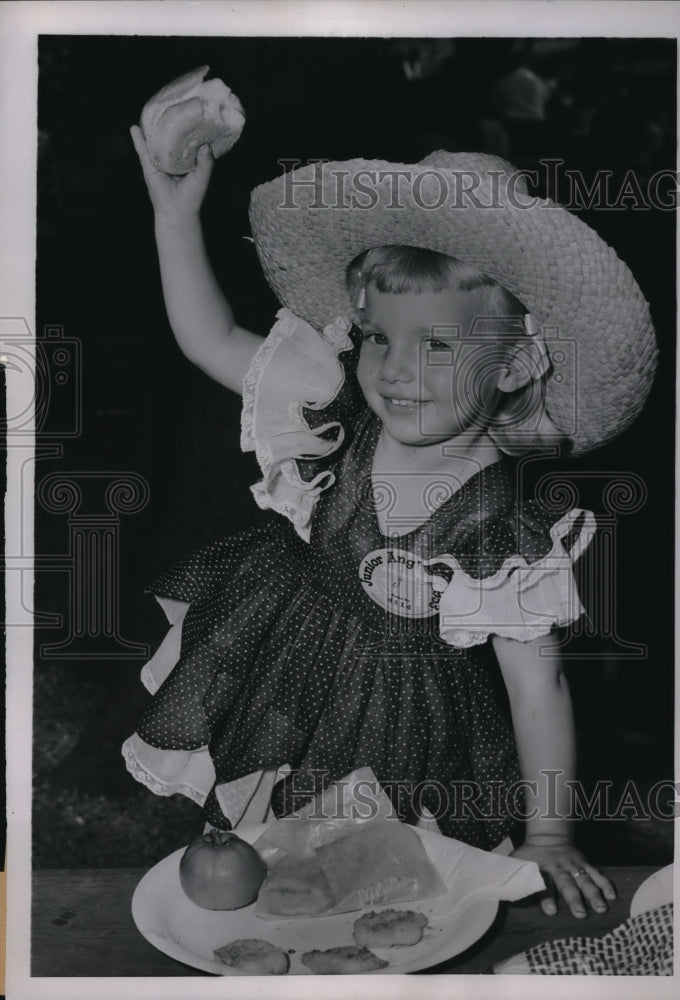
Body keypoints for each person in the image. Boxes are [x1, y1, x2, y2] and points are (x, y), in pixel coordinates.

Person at [123, 131, 656, 920]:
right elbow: (209, 340)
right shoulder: (333, 408)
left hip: (400, 723)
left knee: (380, 893)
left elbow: (539, 689)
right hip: (283, 654)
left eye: (435, 344)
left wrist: (549, 833)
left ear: (513, 365)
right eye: (377, 335)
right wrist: (174, 217)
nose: (392, 368)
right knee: (275, 864)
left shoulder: (504, 537)